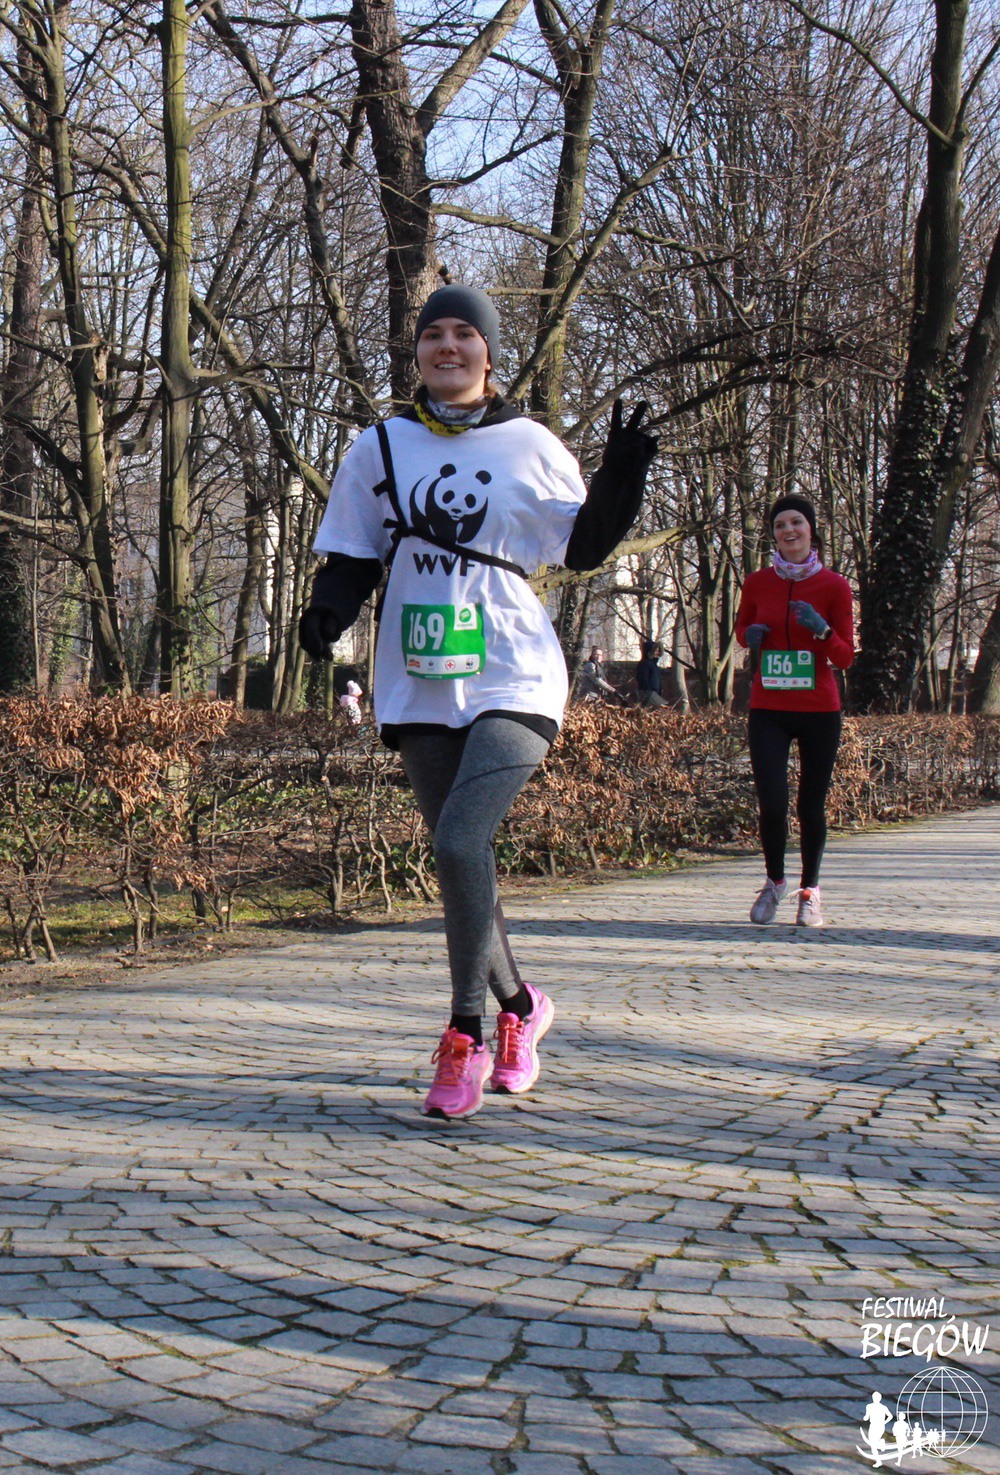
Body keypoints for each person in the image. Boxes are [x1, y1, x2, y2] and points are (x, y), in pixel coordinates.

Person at [298, 284, 657, 1118]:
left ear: (490, 355)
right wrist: (328, 610)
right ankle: (522, 1008)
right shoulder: (380, 446)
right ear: (417, 352)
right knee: (463, 862)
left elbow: (582, 544)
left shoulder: (528, 443)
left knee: (461, 840)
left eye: (466, 333)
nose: (448, 346)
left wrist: (623, 476)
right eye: (434, 334)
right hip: (420, 674)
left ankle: (464, 1036)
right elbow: (354, 552)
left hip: (514, 670)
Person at [735, 494, 854, 927]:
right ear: (774, 535)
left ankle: (810, 891)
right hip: (768, 706)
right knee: (772, 801)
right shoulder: (757, 582)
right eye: (781, 525)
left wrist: (821, 630)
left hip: (818, 708)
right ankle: (775, 882)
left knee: (810, 804)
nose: (789, 530)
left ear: (811, 530)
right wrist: (751, 634)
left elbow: (845, 656)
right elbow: (741, 629)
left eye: (797, 522)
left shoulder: (835, 586)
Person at [636, 639, 669, 708]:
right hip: (648, 696)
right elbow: (643, 681)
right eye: (656, 651)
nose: (657, 653)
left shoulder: (654, 665)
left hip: (655, 695)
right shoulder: (644, 664)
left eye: (658, 651)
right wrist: (650, 695)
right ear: (650, 652)